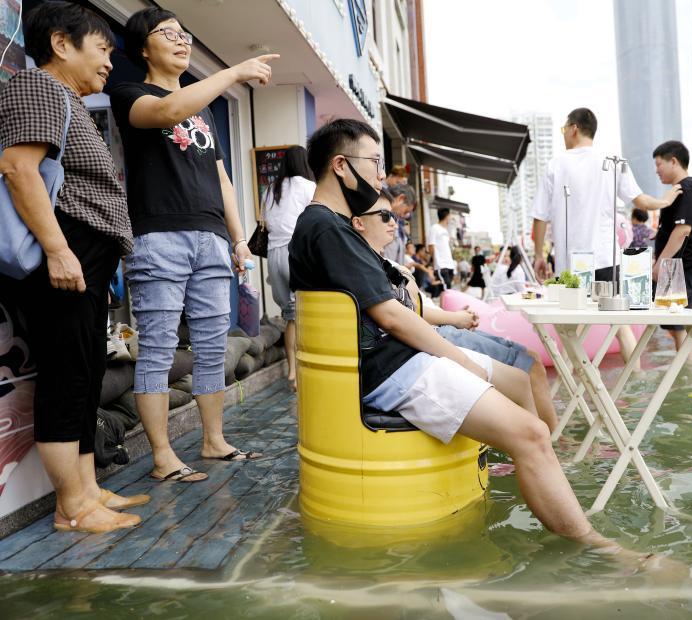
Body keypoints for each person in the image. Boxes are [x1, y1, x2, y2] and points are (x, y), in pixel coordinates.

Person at [288, 118, 632, 554]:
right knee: (532, 434)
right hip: (394, 372)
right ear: (340, 165)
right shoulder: (326, 227)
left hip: (405, 358)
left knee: (519, 378)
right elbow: (392, 316)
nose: (381, 174)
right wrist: (459, 358)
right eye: (375, 162)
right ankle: (599, 548)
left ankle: (538, 466)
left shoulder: (334, 226)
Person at [0, 1, 146, 533]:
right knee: (67, 374)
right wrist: (60, 249)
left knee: (84, 373)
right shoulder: (37, 87)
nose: (110, 62)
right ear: (62, 44)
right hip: (68, 250)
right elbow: (19, 168)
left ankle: (88, 489)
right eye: (103, 49)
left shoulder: (65, 98)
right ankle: (72, 507)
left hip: (88, 255)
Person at [110, 7, 273, 482]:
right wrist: (235, 71)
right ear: (143, 47)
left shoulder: (202, 111)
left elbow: (220, 176)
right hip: (159, 237)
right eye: (169, 34)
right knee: (158, 348)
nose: (182, 42)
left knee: (211, 345)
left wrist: (239, 239)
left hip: (211, 240)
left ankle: (213, 441)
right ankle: (163, 459)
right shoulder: (129, 94)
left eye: (185, 35)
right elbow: (167, 110)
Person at [353, 192, 559, 432]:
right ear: (358, 223)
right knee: (531, 366)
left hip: (432, 338)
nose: (394, 222)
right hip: (432, 341)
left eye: (395, 217)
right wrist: (455, 320)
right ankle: (548, 443)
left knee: (529, 368)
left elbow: (406, 311)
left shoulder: (385, 264)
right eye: (386, 216)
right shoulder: (372, 269)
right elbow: (403, 316)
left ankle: (544, 442)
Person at [531, 109, 679, 369]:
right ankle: (636, 384)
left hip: (570, 264)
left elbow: (540, 217)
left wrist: (539, 256)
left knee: (569, 331)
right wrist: (665, 201)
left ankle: (575, 393)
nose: (564, 134)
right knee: (620, 327)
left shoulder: (556, 164)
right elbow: (641, 200)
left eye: (564, 128)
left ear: (574, 128)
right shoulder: (613, 160)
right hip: (605, 258)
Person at [263, 145, 315, 392]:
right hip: (295, 252)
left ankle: (293, 371)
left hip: (273, 255)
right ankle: (299, 372)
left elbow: (265, 222)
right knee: (302, 315)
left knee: (290, 316)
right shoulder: (307, 186)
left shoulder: (270, 190)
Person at [652, 141, 692, 358]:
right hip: (675, 268)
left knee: (680, 327)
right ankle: (689, 375)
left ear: (673, 161)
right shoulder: (677, 191)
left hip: (682, 268)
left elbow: (683, 231)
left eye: (659, 164)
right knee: (677, 329)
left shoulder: (687, 189)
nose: (657, 170)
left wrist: (659, 265)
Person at [380, 183, 416, 264]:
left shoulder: (395, 218)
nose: (404, 216)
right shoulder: (379, 212)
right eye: (406, 211)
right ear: (401, 198)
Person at [428, 207, 456, 289]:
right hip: (441, 265)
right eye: (450, 215)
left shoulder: (446, 230)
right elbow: (431, 246)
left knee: (448, 289)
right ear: (447, 216)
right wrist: (434, 262)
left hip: (449, 264)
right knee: (446, 289)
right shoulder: (434, 228)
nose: (451, 218)